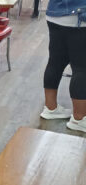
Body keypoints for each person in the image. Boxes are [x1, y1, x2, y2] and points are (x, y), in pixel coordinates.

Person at [40, 0, 86, 133]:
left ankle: (50, 108)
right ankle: (79, 118)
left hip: (54, 14)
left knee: (55, 62)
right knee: (82, 68)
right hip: (78, 17)